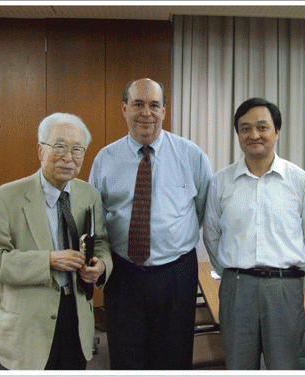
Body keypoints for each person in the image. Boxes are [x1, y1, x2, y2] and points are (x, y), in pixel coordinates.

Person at [89, 78, 213, 370]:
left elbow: (205, 208)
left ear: (164, 111)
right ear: (124, 108)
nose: (147, 112)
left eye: (154, 105)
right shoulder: (105, 159)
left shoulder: (191, 155)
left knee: (174, 356)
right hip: (123, 272)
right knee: (125, 354)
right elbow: (96, 217)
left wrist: (172, 237)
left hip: (176, 273)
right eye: (138, 104)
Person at [0, 113, 113, 370]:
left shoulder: (89, 195)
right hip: (27, 325)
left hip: (76, 317)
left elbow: (102, 243)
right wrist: (48, 260)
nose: (68, 157)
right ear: (40, 150)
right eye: (59, 147)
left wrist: (101, 265)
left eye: (76, 149)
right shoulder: (4, 198)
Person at [203, 97, 305, 369]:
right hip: (236, 287)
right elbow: (211, 234)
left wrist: (292, 267)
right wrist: (229, 271)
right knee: (238, 365)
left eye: (262, 127)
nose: (254, 135)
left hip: (284, 288)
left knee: (284, 365)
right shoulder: (221, 182)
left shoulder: (298, 180)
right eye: (245, 129)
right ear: (238, 135)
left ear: (277, 132)